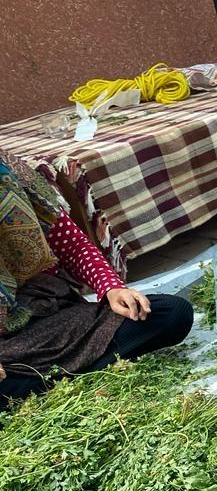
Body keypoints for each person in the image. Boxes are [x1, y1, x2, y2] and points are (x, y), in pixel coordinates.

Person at [0, 153, 193, 410]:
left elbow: (74, 247)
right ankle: (55, 380)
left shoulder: (10, 173)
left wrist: (110, 288)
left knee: (171, 314)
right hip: (6, 349)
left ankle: (44, 385)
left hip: (45, 315)